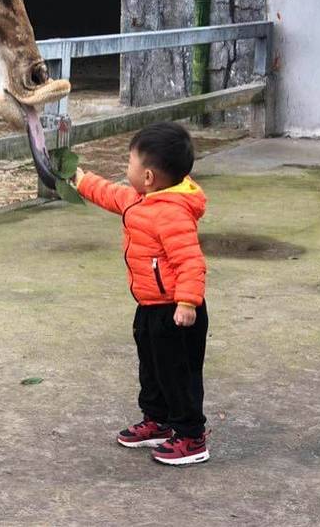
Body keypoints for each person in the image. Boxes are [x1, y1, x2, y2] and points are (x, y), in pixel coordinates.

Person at [75, 122, 209, 466]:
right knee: (152, 368)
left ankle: (192, 437)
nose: (125, 170)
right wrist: (83, 181)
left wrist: (187, 302)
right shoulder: (141, 199)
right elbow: (111, 194)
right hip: (149, 305)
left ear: (148, 176)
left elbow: (191, 261)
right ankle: (158, 421)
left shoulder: (172, 212)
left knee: (178, 373)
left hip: (176, 311)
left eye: (129, 164)